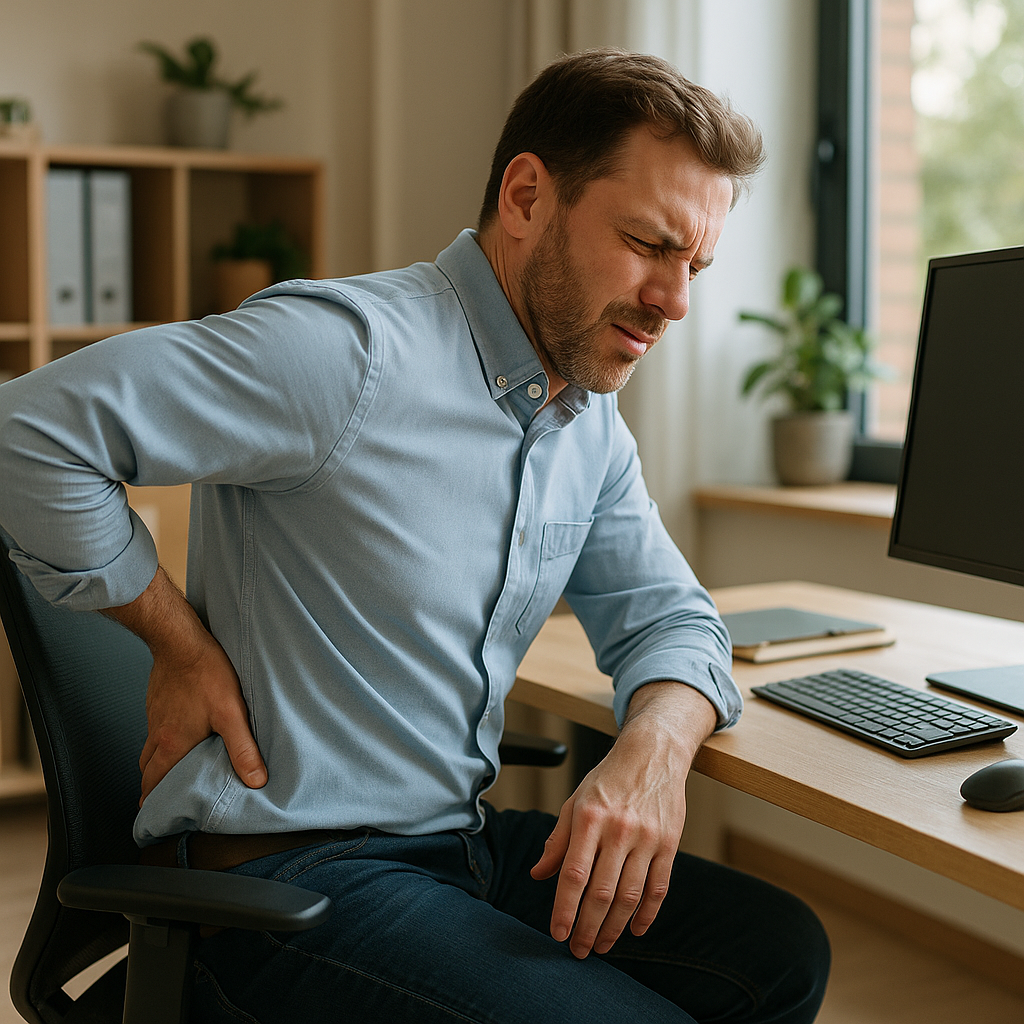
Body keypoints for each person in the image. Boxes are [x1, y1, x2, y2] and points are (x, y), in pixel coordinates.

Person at [0, 49, 829, 1023]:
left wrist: (652, 750)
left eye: (694, 264)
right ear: (526, 196)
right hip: (286, 883)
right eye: (649, 242)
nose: (675, 299)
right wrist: (173, 638)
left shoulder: (581, 418)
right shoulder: (344, 353)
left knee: (777, 953)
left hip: (452, 846)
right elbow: (25, 433)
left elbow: (670, 614)